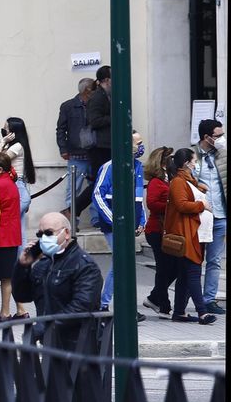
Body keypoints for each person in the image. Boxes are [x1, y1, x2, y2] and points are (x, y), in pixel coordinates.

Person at [12, 212, 103, 347]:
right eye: (40, 235)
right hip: (51, 343)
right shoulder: (44, 263)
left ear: (66, 233)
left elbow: (81, 306)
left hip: (79, 346)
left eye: (48, 233)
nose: (43, 238)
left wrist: (45, 327)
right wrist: (23, 266)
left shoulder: (85, 265)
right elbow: (22, 295)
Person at [92, 130, 146, 313]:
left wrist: (141, 220)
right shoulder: (109, 166)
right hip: (113, 224)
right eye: (137, 143)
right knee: (122, 263)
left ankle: (115, 304)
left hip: (129, 224)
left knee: (124, 263)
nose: (141, 146)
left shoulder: (138, 166)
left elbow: (139, 197)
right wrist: (114, 220)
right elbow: (98, 194)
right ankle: (108, 303)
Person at [165, 147, 216, 324]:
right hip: (187, 234)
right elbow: (181, 205)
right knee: (193, 273)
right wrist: (202, 206)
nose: (196, 165)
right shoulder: (179, 181)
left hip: (195, 233)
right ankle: (202, 312)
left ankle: (179, 312)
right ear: (186, 163)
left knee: (185, 275)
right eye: (194, 161)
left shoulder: (188, 180)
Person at [0, 152, 28, 324]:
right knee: (9, 275)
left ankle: (5, 313)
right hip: (11, 234)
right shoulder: (10, 182)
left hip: (3, 235)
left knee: (6, 277)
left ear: (0, 169)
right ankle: (21, 309)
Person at [191, 119, 226, 314]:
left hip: (220, 216)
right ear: (206, 138)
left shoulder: (223, 155)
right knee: (194, 260)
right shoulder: (193, 156)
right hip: (200, 217)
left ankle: (209, 299)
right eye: (218, 136)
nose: (222, 139)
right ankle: (192, 299)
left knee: (214, 261)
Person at [55, 78, 98, 217]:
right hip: (76, 154)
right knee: (73, 188)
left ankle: (97, 217)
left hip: (94, 153)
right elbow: (61, 129)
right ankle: (72, 219)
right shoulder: (68, 106)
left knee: (98, 187)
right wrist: (63, 149)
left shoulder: (97, 105)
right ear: (87, 91)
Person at [142, 145, 176, 316]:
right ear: (162, 163)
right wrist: (172, 205)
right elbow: (153, 204)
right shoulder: (156, 182)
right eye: (170, 159)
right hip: (157, 231)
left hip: (166, 230)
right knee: (164, 267)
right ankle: (162, 303)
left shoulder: (168, 179)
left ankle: (155, 298)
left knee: (171, 267)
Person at [86, 66, 114, 173]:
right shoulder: (98, 97)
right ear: (106, 80)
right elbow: (94, 121)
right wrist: (113, 118)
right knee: (100, 180)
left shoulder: (107, 95)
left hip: (106, 144)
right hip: (100, 147)